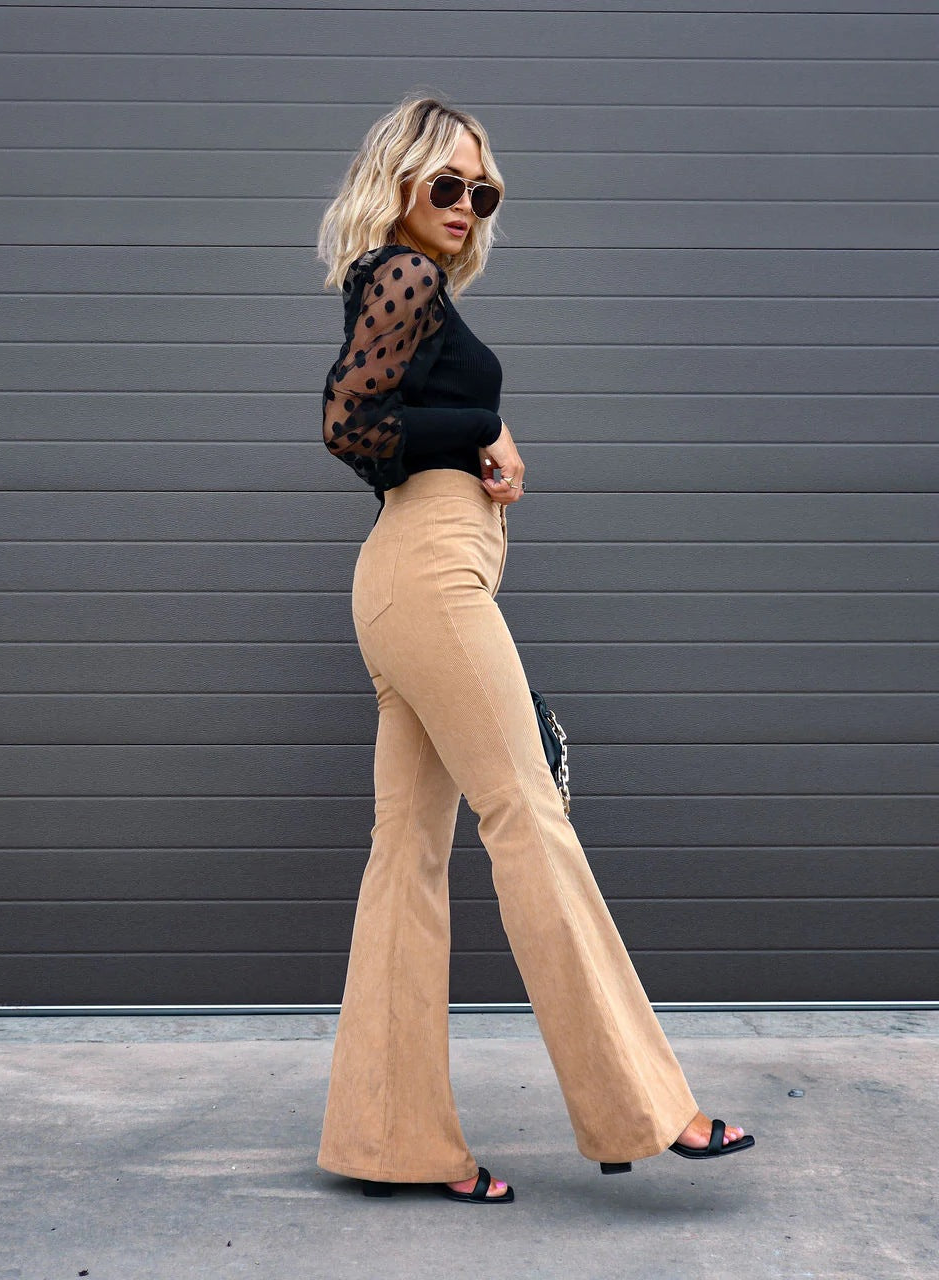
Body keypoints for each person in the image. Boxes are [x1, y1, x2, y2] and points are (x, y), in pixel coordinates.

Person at [313, 93, 755, 1205]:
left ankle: (389, 1139)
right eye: (446, 185)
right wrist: (480, 432)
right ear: (401, 180)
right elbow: (346, 423)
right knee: (526, 812)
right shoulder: (399, 276)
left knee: (405, 859)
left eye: (482, 191)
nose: (466, 206)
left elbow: (381, 432)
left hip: (408, 572)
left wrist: (477, 448)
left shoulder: (407, 293)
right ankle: (643, 1105)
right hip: (427, 572)